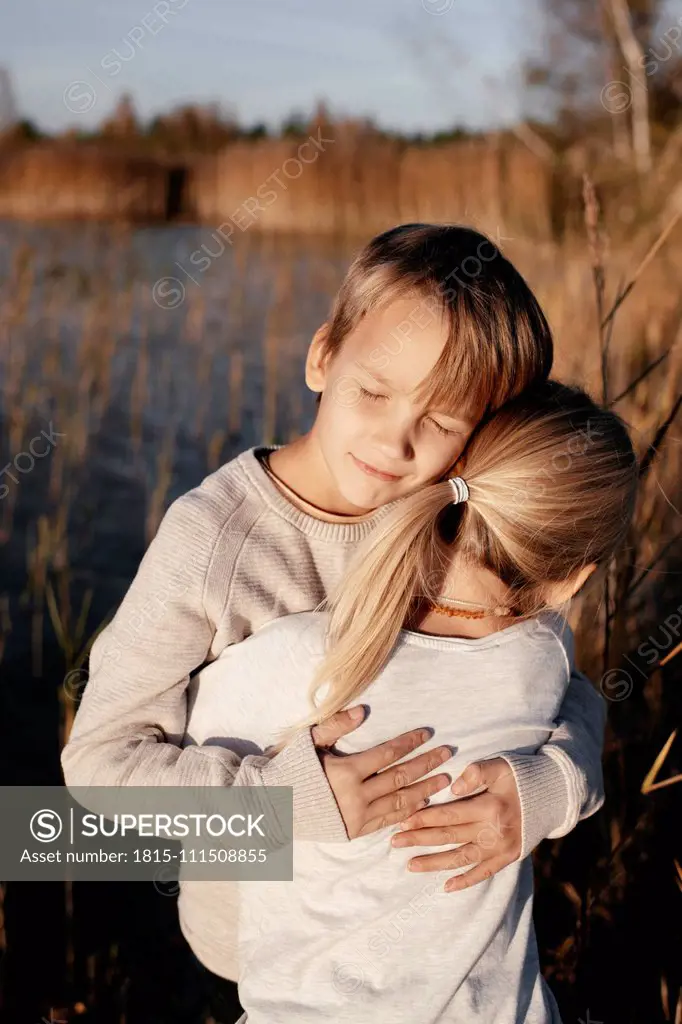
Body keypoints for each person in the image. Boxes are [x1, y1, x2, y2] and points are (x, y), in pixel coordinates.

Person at [60, 224, 607, 1020]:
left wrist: (551, 789)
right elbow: (100, 769)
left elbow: (561, 684)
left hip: (434, 955)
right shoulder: (214, 541)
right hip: (260, 956)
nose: (396, 440)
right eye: (373, 392)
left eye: (446, 420)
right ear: (324, 357)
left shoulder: (459, 521)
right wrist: (287, 807)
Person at [185, 379, 638, 1023]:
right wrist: (564, 782)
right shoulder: (545, 659)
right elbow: (583, 701)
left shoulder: (310, 660)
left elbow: (180, 759)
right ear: (573, 579)